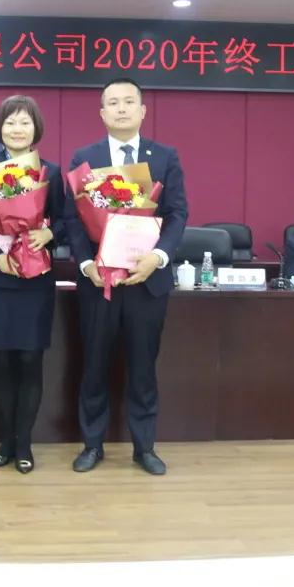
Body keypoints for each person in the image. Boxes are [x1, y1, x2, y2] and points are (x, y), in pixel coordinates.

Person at [64, 78, 187, 476]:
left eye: (129, 102)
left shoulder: (164, 156)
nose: (121, 109)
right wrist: (86, 264)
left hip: (146, 281)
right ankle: (92, 445)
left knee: (143, 368)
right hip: (99, 282)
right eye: (113, 103)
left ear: (142, 110)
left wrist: (158, 257)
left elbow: (177, 213)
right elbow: (72, 219)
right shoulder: (85, 157)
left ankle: (144, 448)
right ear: (102, 113)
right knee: (94, 365)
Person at [0, 95, 63, 474]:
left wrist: (49, 235)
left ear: (36, 129)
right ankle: (5, 440)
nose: (18, 129)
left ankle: (24, 443)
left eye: (25, 122)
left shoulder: (50, 173)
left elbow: (67, 219)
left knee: (30, 359)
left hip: (35, 280)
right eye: (11, 122)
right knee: (1, 361)